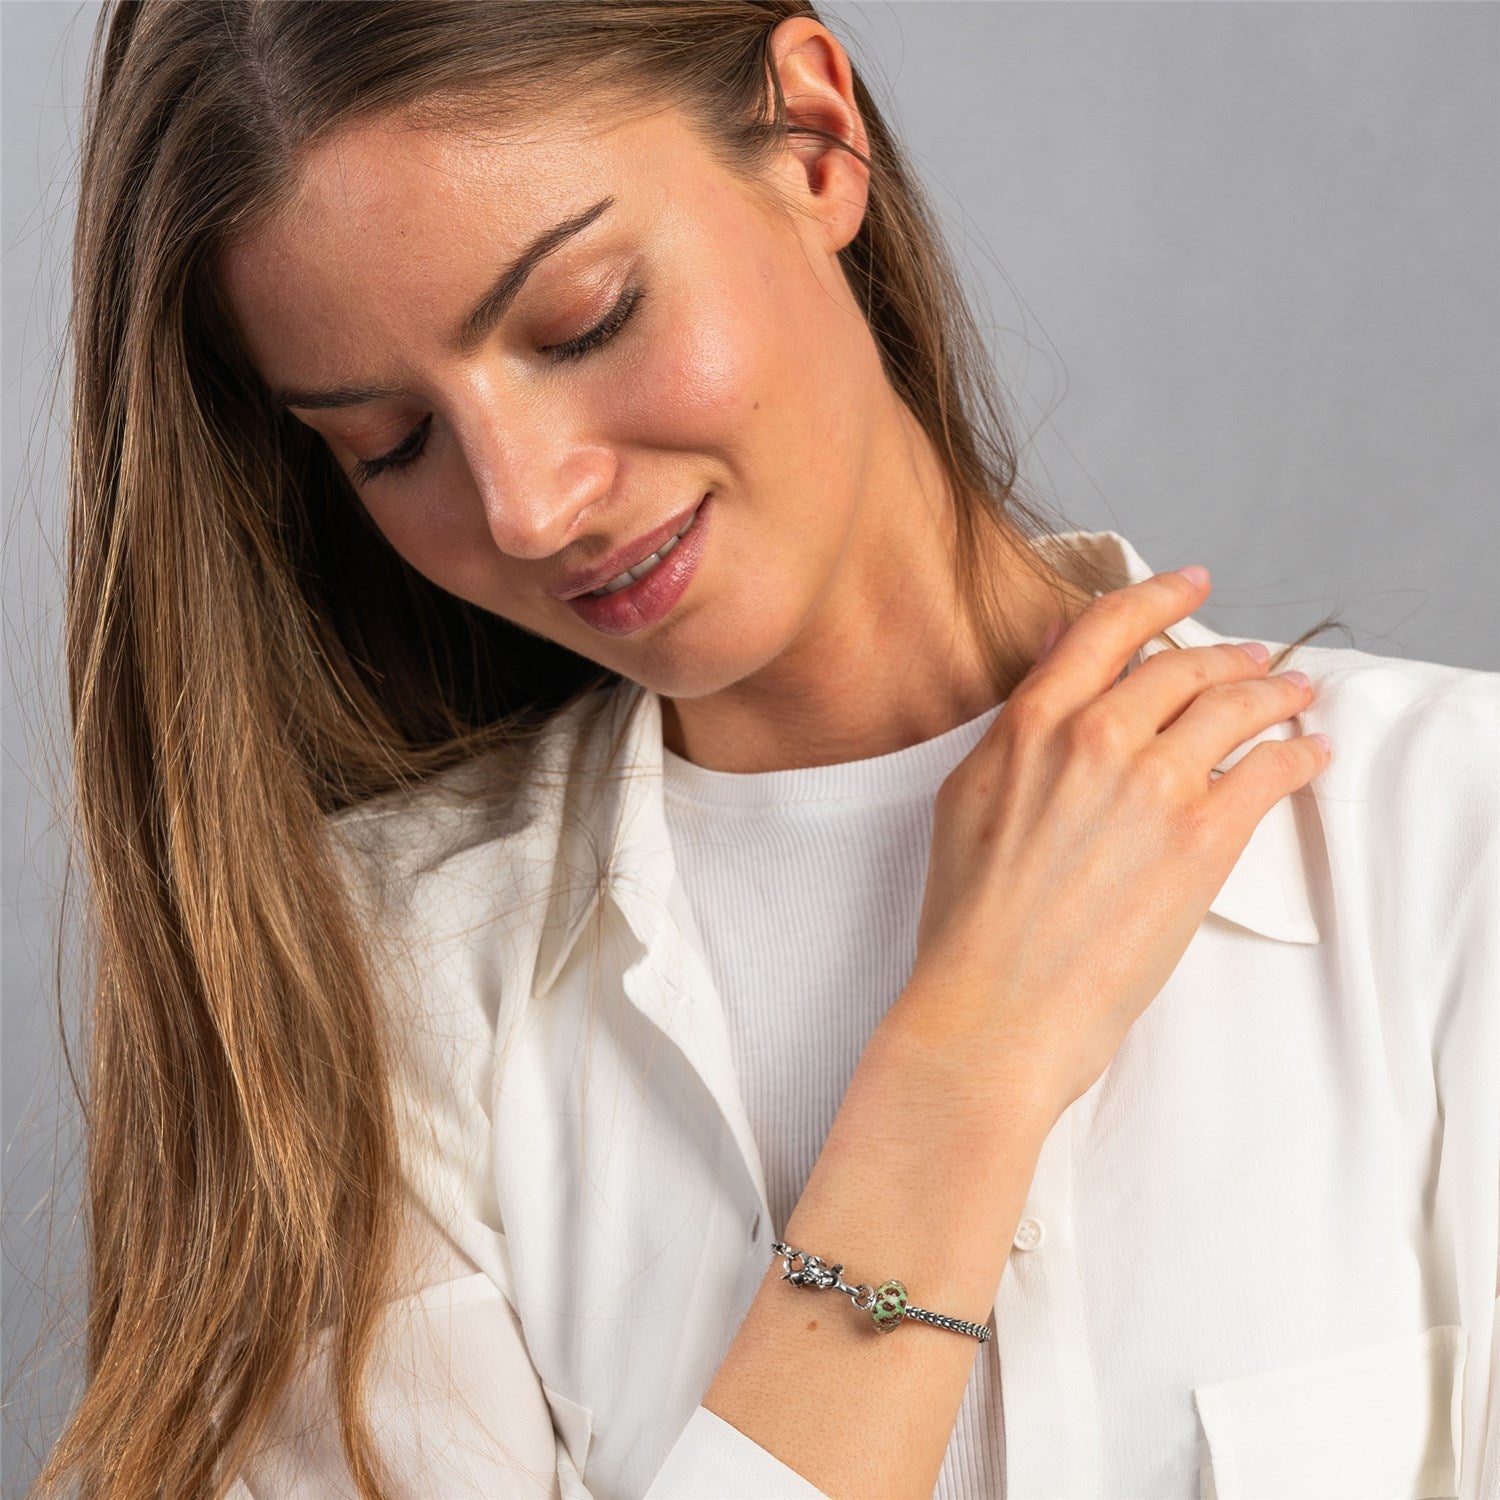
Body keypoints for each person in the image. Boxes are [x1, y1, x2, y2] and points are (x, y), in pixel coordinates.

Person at [35, 2, 1497, 1498]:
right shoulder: (355, 988)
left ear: (813, 139)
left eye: (582, 321)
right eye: (391, 445)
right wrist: (958, 1078)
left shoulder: (1456, 839)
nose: (528, 507)